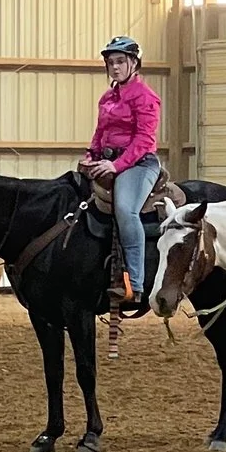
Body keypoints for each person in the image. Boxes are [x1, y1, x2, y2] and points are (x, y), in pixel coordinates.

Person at [83, 36, 162, 309]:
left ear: (133, 63)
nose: (114, 67)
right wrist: (91, 156)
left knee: (126, 209)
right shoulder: (107, 97)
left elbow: (143, 140)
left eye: (120, 61)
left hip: (139, 164)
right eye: (110, 62)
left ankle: (135, 284)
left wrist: (115, 166)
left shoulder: (146, 97)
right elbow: (100, 132)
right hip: (107, 161)